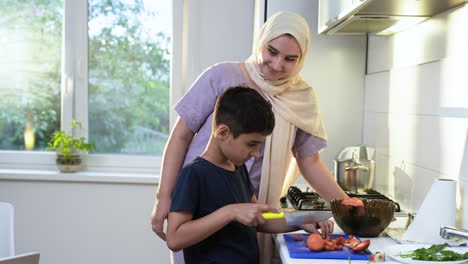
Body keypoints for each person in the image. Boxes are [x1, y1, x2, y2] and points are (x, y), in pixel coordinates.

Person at [151, 11, 349, 264]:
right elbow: (180, 137)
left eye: (290, 58)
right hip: (201, 204)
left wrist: (346, 208)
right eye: (272, 51)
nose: (277, 65)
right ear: (261, 42)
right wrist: (163, 198)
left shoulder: (301, 98)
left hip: (246, 212)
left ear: (302, 58)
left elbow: (309, 162)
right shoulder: (221, 76)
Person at [166, 86, 325, 264]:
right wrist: (230, 212)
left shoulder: (238, 168)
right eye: (251, 144)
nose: (256, 153)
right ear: (223, 133)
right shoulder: (193, 174)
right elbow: (174, 238)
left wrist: (299, 220)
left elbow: (260, 220)